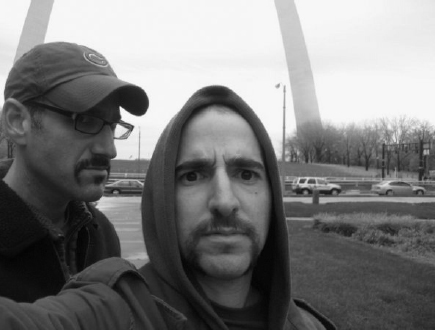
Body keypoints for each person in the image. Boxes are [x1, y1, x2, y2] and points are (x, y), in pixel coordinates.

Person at [139, 85, 335, 329]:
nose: (224, 202)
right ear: (162, 199)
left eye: (245, 174)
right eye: (192, 176)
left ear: (272, 196)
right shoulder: (112, 314)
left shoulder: (308, 326)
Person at [0, 41, 149, 302]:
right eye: (86, 120)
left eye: (112, 126)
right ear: (17, 122)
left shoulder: (100, 233)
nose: (109, 149)